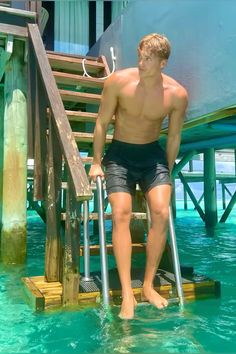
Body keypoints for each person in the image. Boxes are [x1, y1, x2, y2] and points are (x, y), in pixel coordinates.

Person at [89, 33, 188, 320]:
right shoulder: (118, 82)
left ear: (163, 63)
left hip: (152, 157)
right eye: (140, 56)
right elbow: (102, 121)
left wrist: (165, 172)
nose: (141, 62)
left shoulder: (176, 94)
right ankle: (127, 294)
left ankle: (147, 285)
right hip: (119, 155)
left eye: (148, 59)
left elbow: (174, 137)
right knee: (121, 213)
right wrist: (96, 162)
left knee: (160, 211)